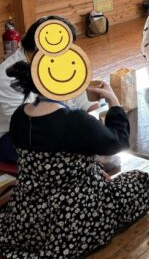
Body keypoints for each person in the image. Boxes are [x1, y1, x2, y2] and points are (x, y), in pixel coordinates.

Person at [0, 62, 149, 259]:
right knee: (138, 180)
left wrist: (93, 168)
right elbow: (118, 143)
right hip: (73, 213)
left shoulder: (19, 115)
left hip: (28, 212)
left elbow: (51, 162)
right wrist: (114, 103)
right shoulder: (74, 120)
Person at [0, 16, 97, 164]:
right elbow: (27, 126)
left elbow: (82, 99)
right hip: (15, 137)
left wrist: (95, 114)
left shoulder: (54, 63)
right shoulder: (8, 76)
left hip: (50, 128)